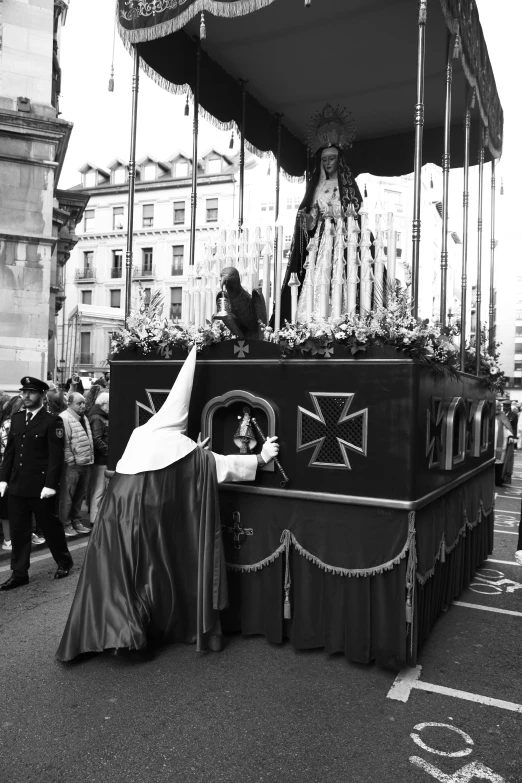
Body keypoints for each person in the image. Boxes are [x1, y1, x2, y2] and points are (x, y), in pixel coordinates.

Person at [56, 347, 279, 661]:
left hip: (113, 515)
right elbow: (220, 466)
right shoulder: (183, 447)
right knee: (143, 577)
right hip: (145, 523)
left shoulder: (141, 433)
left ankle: (104, 631)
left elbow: (178, 459)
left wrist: (192, 451)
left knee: (113, 574)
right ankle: (127, 636)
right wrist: (260, 457)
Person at [278, 104, 362, 324]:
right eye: (324, 159)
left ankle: (342, 316)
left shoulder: (346, 186)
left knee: (340, 275)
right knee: (316, 275)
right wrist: (306, 220)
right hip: (320, 239)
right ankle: (312, 316)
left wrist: (339, 214)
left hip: (341, 238)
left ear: (339, 159)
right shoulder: (316, 186)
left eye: (331, 159)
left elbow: (354, 209)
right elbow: (311, 216)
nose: (327, 163)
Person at [0, 377, 73, 591]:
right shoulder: (17, 418)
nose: (26, 396)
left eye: (31, 392)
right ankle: (19, 573)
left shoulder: (52, 421)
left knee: (50, 527)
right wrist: (3, 479)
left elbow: (55, 457)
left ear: (42, 395)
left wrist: (50, 485)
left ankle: (64, 561)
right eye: (24, 392)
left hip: (41, 487)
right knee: (19, 530)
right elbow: (11, 453)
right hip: (17, 485)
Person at [58, 393, 94, 536]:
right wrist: (70, 460)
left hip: (85, 462)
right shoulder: (64, 418)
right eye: (79, 403)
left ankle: (76, 520)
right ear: (70, 403)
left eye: (84, 403)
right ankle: (65, 523)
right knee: (67, 496)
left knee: (79, 496)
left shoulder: (83, 417)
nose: (83, 406)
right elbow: (65, 443)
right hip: (73, 465)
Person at [87, 391, 109, 526]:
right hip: (101, 459)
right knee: (99, 489)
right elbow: (97, 439)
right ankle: (94, 519)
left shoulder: (97, 416)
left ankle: (94, 516)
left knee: (96, 488)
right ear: (104, 404)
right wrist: (108, 452)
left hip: (99, 458)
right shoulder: (98, 417)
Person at [494, 401, 514, 487]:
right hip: (490, 445)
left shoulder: (503, 416)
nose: (498, 408)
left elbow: (507, 428)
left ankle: (499, 480)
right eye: (496, 406)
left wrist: (510, 436)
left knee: (499, 464)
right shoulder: (488, 415)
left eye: (499, 406)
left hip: (501, 445)